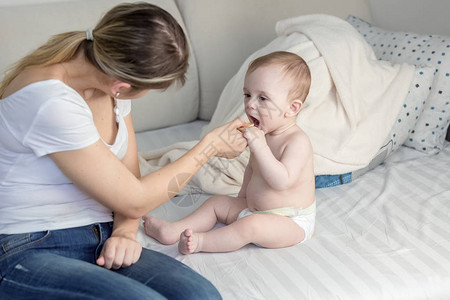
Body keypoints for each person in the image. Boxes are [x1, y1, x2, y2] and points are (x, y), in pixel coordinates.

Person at [0, 3, 248, 299]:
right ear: (123, 84)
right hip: (27, 245)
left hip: (100, 237)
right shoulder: (48, 99)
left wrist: (125, 233)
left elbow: (131, 182)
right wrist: (209, 147)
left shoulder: (112, 93)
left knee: (200, 295)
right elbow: (135, 200)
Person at [143, 51, 315, 254]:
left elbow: (282, 181)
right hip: (254, 209)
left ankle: (200, 242)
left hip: (288, 220)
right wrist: (242, 198)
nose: (250, 104)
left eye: (263, 98)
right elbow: (252, 170)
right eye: (247, 94)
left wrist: (260, 147)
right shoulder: (263, 133)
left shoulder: (297, 142)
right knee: (217, 203)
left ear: (292, 108)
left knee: (251, 226)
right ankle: (173, 230)